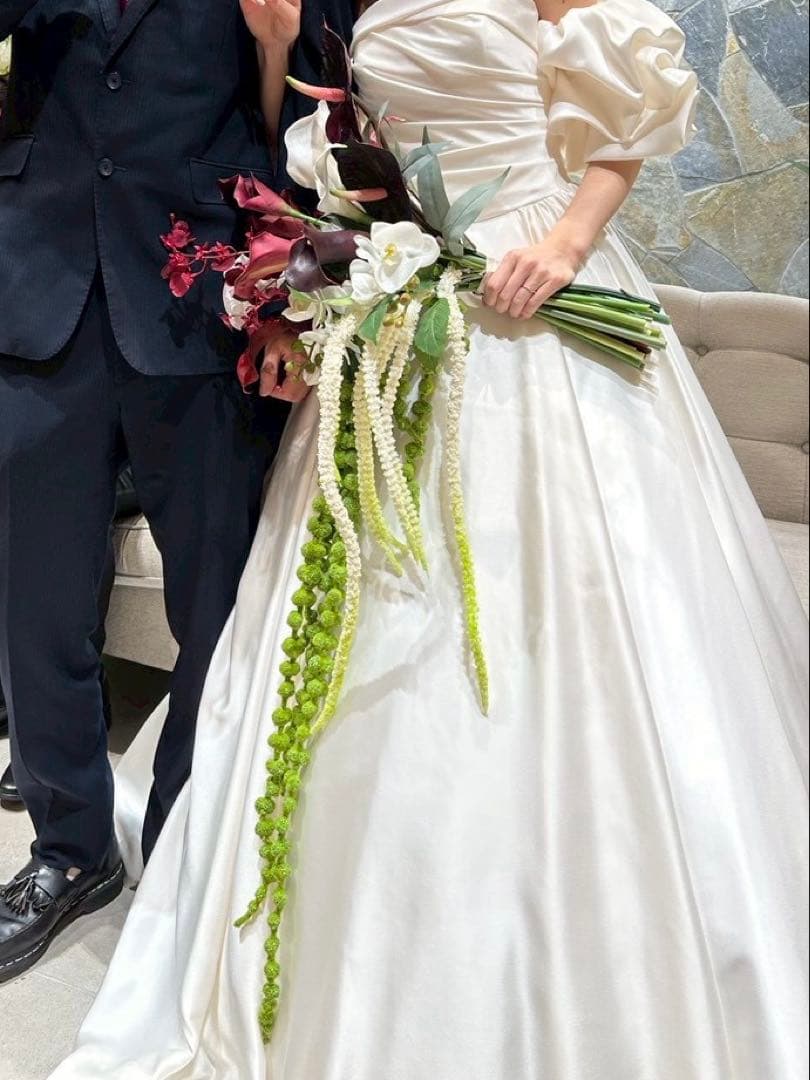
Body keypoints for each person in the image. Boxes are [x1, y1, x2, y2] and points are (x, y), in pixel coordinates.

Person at [53, 1, 808, 1077]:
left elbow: (632, 107)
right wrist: (283, 93)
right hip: (401, 302)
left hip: (534, 287)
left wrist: (567, 243)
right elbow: (340, 150)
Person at [0, 0, 337, 983]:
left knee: (218, 606)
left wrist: (299, 304)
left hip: (208, 296)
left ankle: (185, 846)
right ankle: (70, 849)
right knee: (33, 600)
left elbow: (317, 105)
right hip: (41, 280)